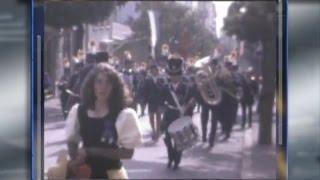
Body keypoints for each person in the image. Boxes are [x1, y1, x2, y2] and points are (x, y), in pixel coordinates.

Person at [65, 63, 143, 179]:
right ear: (92, 85)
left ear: (114, 87)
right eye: (99, 81)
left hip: (111, 175)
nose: (103, 87)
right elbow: (72, 140)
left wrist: (92, 151)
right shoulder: (79, 112)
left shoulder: (123, 115)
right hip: (85, 174)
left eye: (108, 82)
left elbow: (128, 153)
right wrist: (74, 156)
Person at [160, 55, 194, 170]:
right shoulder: (165, 87)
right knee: (168, 139)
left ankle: (177, 159)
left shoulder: (187, 88)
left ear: (181, 74)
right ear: (169, 75)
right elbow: (160, 101)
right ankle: (170, 156)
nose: (174, 77)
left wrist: (190, 105)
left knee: (179, 140)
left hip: (181, 117)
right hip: (169, 116)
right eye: (172, 74)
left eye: (177, 74)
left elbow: (192, 101)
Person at [144, 64, 163, 141]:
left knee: (158, 116)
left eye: (155, 70)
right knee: (151, 117)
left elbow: (163, 89)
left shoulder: (161, 79)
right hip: (151, 101)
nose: (154, 71)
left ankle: (158, 131)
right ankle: (153, 130)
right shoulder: (147, 80)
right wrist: (145, 100)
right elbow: (145, 90)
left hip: (159, 100)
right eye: (152, 70)